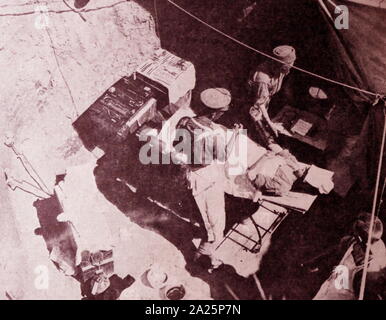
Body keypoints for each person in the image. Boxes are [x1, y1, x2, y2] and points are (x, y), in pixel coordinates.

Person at [313, 213, 386, 300]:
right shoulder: (351, 241)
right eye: (359, 237)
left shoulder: (374, 261)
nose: (366, 244)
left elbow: (368, 289)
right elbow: (335, 253)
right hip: (329, 288)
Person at [248, 45, 296, 150]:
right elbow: (259, 103)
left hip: (265, 101)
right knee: (261, 136)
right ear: (283, 65)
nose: (292, 66)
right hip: (255, 107)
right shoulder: (263, 78)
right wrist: (270, 123)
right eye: (290, 64)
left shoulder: (282, 70)